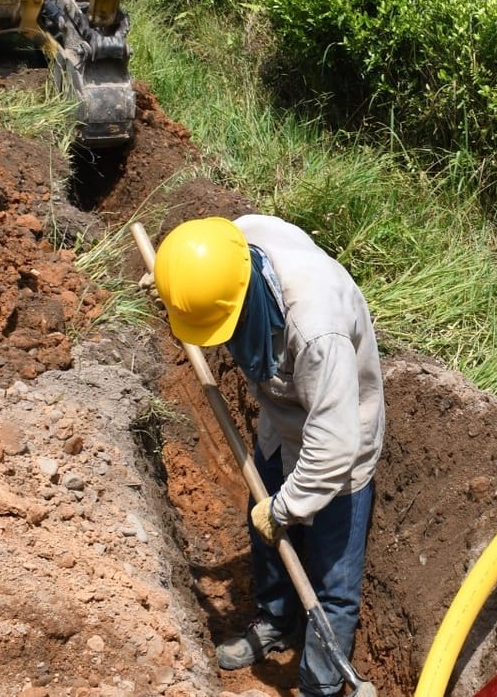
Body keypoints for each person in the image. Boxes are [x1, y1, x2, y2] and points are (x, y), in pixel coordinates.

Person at [152, 213, 385, 696]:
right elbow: (199, 262)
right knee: (263, 532)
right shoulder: (234, 248)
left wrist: (286, 508)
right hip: (281, 420)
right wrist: (179, 295)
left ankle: (320, 684)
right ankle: (277, 621)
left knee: (332, 585)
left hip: (339, 441)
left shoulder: (317, 330)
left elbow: (334, 442)